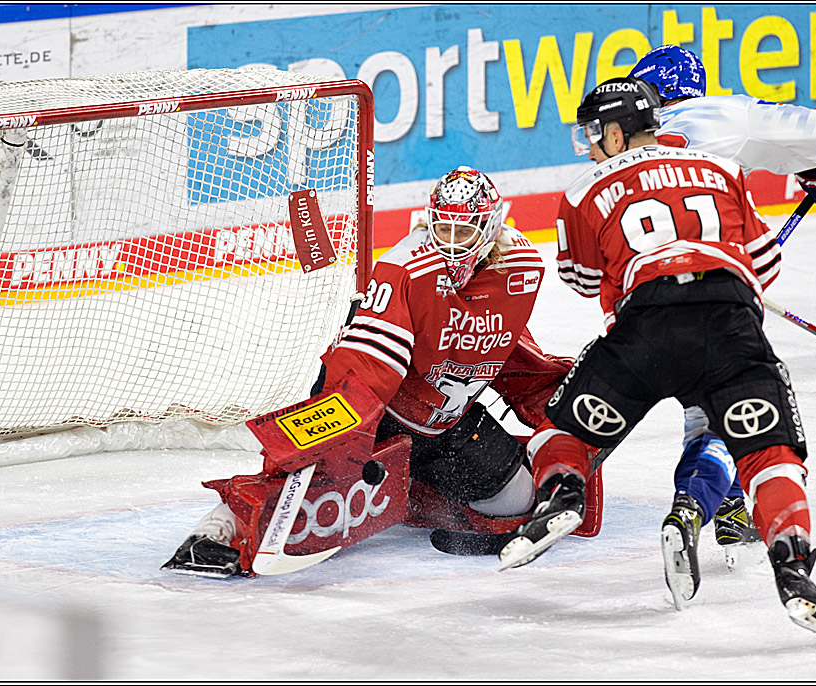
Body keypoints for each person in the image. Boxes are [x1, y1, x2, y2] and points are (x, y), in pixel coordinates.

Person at [499, 76, 816, 646]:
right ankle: (793, 572)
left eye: (594, 135)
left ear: (617, 133)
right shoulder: (721, 170)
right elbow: (764, 265)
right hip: (730, 327)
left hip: (645, 328)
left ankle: (562, 495)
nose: (591, 147)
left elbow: (581, 279)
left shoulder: (582, 188)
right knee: (771, 455)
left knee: (561, 429)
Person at [162, 166, 602, 577]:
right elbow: (368, 365)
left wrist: (553, 400)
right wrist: (334, 433)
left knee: (519, 501)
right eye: (441, 227)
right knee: (306, 491)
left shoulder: (521, 267)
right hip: (375, 407)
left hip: (446, 427)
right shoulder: (406, 267)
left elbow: (502, 342)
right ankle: (216, 529)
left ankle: (413, 493)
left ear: (490, 228)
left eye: (463, 230)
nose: (451, 242)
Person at [624, 45, 816, 573]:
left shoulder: (622, 138)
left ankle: (732, 506)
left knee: (703, 402)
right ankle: (693, 509)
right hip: (717, 293)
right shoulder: (719, 112)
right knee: (731, 410)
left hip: (634, 298)